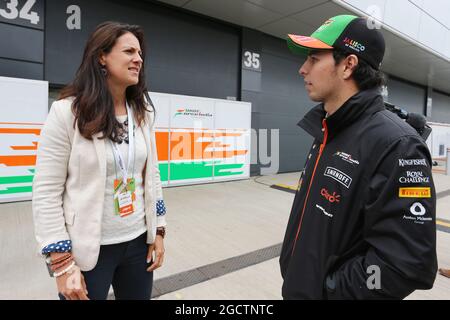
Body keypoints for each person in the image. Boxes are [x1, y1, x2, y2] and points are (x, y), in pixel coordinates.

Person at [279, 14, 437, 299]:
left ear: (348, 65)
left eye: (314, 59)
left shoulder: (397, 145)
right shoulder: (327, 128)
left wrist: (328, 290)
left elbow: (406, 264)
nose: (303, 69)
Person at [32, 21, 167, 300]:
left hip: (138, 244)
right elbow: (46, 191)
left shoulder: (143, 113)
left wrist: (159, 231)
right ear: (101, 56)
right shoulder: (66, 113)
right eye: (129, 51)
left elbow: (151, 176)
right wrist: (61, 264)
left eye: (140, 54)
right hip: (88, 250)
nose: (138, 59)